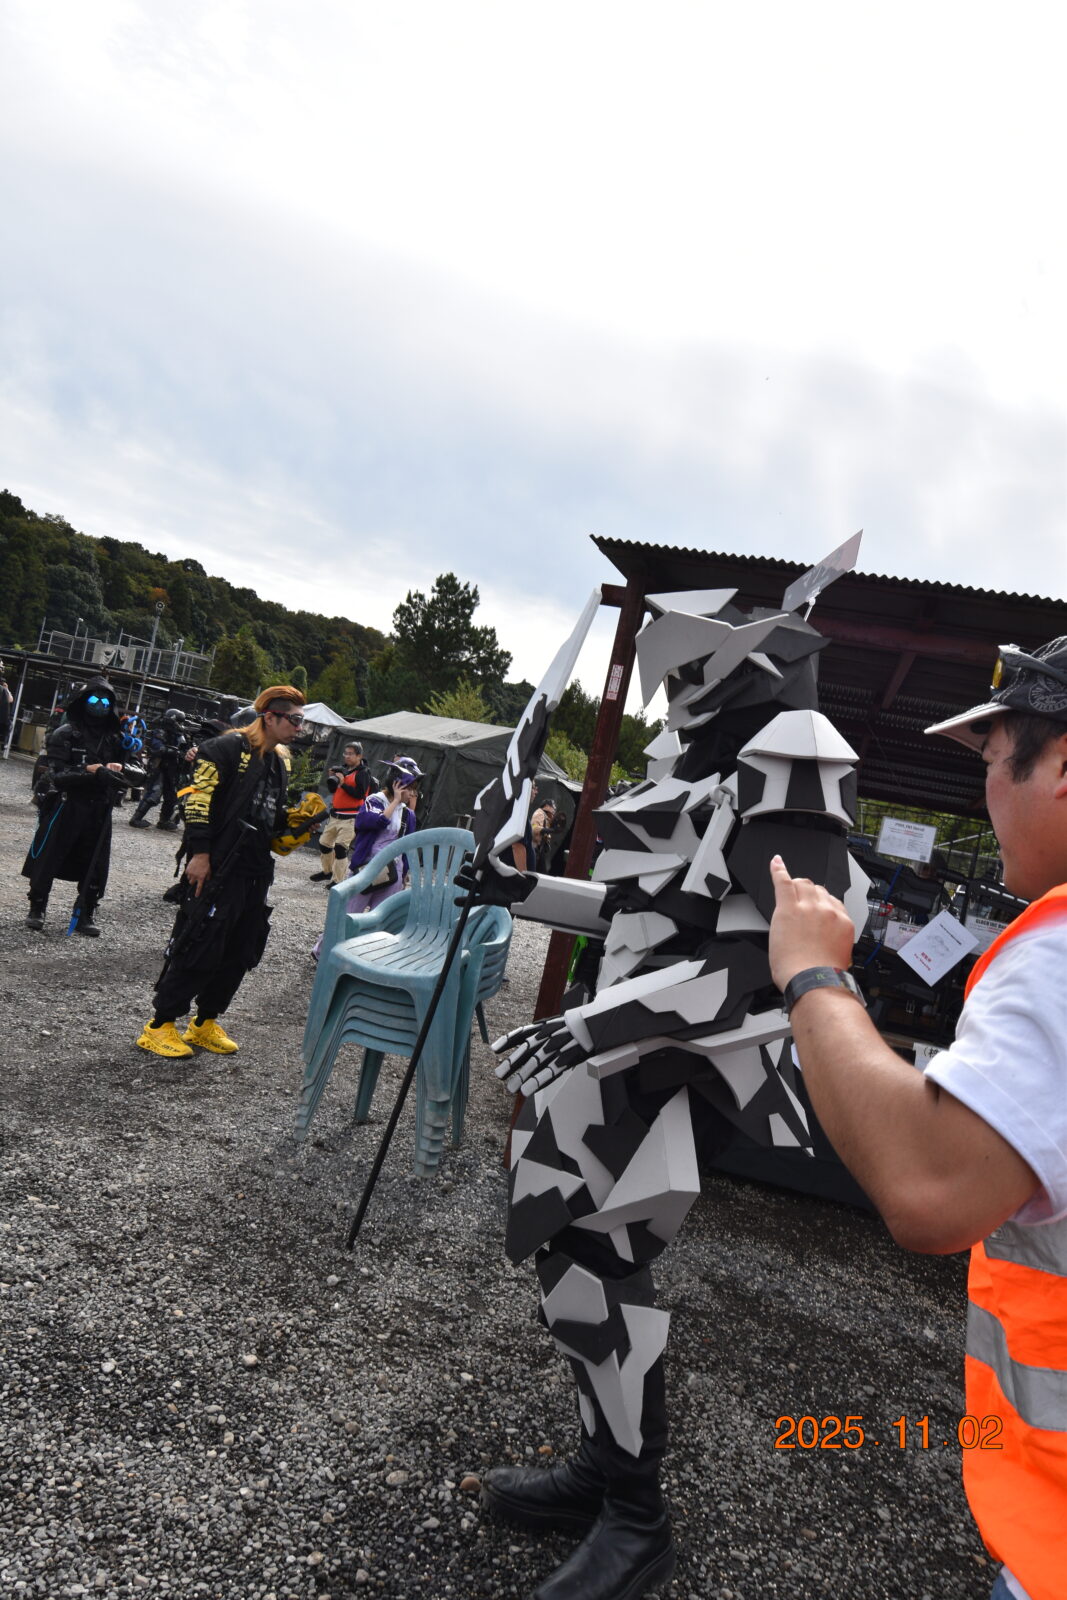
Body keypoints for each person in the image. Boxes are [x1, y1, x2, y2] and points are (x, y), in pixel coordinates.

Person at [466, 582, 869, 1600]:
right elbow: (638, 915)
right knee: (571, 1264)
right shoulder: (698, 764)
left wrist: (583, 1029)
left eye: (694, 665)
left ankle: (636, 1520)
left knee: (601, 1265)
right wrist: (525, 891)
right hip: (618, 1049)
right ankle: (603, 1471)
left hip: (685, 1064)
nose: (676, 685)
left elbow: (755, 964)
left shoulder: (794, 757)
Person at [766, 637, 1067, 1600]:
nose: (986, 794)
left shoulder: (1056, 954)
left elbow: (928, 1188)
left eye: (992, 761)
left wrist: (812, 974)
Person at [135, 685, 307, 1059]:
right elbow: (196, 801)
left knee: (241, 949)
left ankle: (204, 1022)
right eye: (295, 720)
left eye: (302, 721)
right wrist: (200, 854)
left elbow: (269, 815)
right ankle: (160, 1025)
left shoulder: (280, 761)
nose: (300, 728)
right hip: (219, 865)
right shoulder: (224, 749)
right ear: (270, 717)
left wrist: (296, 826)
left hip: (255, 870)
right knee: (199, 942)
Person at [22, 676, 144, 935]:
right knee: (49, 856)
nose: (99, 705)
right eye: (94, 699)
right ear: (83, 701)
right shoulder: (66, 733)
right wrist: (90, 772)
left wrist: (122, 768)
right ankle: (37, 906)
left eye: (105, 701)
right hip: (67, 805)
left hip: (100, 808)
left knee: (96, 863)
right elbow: (56, 775)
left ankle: (86, 910)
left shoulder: (118, 738)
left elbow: (139, 774)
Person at [344, 756, 422, 912]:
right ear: (398, 784)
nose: (413, 794)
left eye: (415, 790)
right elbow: (377, 821)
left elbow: (407, 846)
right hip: (367, 867)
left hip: (393, 871)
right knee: (349, 914)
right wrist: (395, 801)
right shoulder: (374, 801)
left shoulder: (408, 814)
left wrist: (404, 873)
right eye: (410, 788)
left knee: (381, 918)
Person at [310, 741, 373, 885]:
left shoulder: (363, 773)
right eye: (346, 753)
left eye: (351, 754)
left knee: (340, 848)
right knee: (324, 843)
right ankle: (328, 872)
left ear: (359, 756)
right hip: (336, 815)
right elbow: (334, 790)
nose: (347, 756)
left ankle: (337, 881)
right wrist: (333, 778)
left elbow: (359, 795)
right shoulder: (343, 769)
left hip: (352, 817)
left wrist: (343, 783)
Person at [128, 708, 187, 830]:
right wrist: (175, 752)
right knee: (154, 794)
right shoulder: (160, 732)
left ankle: (164, 821)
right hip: (159, 767)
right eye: (178, 722)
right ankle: (136, 819)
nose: (180, 725)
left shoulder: (179, 735)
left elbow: (184, 749)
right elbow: (158, 748)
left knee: (172, 796)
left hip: (172, 769)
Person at [530, 796, 557, 872]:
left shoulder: (546, 817)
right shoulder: (540, 813)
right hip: (534, 848)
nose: (554, 810)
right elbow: (534, 828)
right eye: (553, 807)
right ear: (547, 806)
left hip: (539, 849)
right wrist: (550, 830)